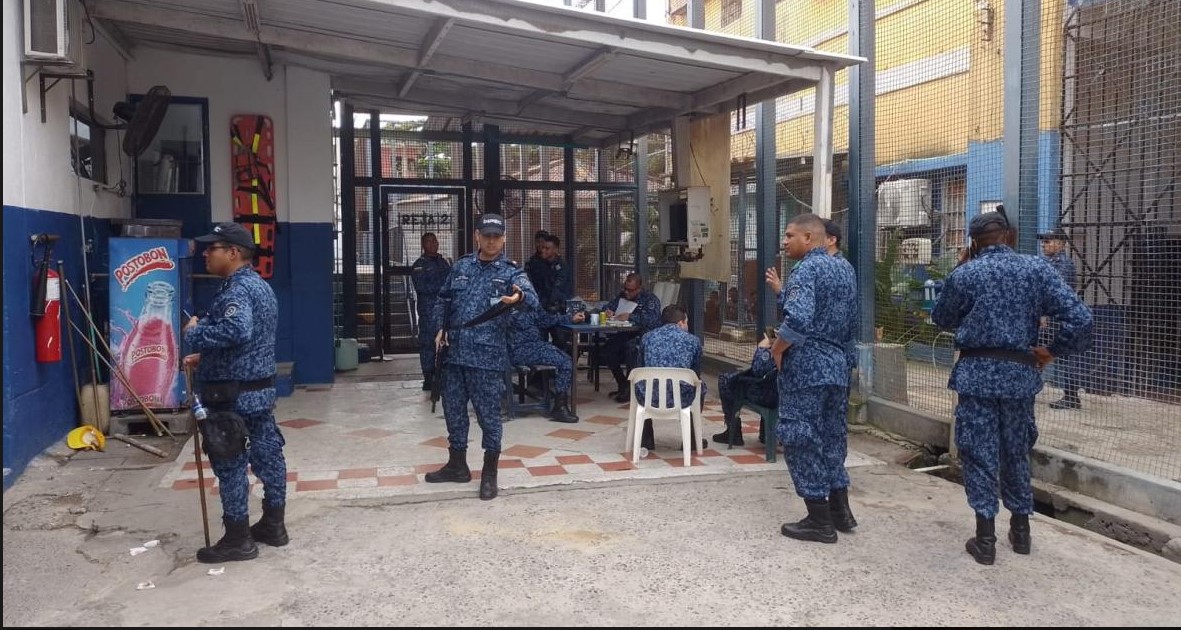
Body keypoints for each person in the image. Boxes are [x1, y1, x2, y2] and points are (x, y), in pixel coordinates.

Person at [932, 208, 1092, 565]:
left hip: (977, 375)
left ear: (974, 242)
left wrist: (961, 269)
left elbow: (941, 318)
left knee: (978, 452)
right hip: (1020, 376)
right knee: (1016, 450)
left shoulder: (967, 273)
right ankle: (1021, 533)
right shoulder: (1037, 269)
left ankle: (985, 539)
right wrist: (1051, 351)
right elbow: (1081, 318)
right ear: (1007, 235)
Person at [182, 222, 285, 563]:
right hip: (257, 391)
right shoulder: (259, 287)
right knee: (268, 454)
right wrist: (207, 355)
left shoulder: (237, 290)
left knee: (229, 463)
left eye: (214, 248)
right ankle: (273, 523)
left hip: (231, 397)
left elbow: (236, 329)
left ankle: (238, 539)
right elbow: (249, 339)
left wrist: (196, 334)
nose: (206, 254)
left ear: (234, 252)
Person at [427, 213, 539, 500]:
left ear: (504, 238)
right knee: (453, 413)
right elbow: (443, 300)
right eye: (486, 235)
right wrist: (439, 327)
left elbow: (531, 299)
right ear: (477, 236)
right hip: (453, 356)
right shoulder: (461, 266)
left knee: (489, 417)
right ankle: (457, 465)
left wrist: (519, 298)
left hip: (486, 360)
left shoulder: (512, 272)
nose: (491, 241)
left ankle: (490, 473)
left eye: (497, 236)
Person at [764, 213, 858, 545]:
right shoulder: (845, 269)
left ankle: (819, 520)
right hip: (837, 366)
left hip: (807, 367)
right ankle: (840, 511)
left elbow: (799, 319)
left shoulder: (807, 269)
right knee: (832, 437)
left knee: (799, 435)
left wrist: (777, 348)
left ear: (809, 238)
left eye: (790, 235)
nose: (785, 241)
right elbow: (849, 322)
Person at [633, 305, 707, 451]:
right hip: (681, 399)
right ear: (680, 323)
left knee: (643, 383)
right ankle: (691, 438)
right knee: (700, 386)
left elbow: (640, 366)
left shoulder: (647, 337)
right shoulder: (693, 341)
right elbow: (696, 372)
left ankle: (646, 437)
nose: (687, 326)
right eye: (686, 322)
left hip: (650, 398)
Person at [507, 306, 582, 423]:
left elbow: (545, 319)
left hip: (522, 349)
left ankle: (559, 404)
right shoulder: (527, 305)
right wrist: (569, 318)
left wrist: (569, 318)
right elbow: (545, 320)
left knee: (563, 358)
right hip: (525, 350)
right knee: (566, 363)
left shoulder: (507, 304)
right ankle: (560, 407)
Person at [1038, 228, 1082, 410]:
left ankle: (1071, 396)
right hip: (1053, 317)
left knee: (1063, 356)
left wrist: (1045, 314)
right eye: (1043, 241)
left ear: (1061, 244)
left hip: (1058, 318)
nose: (1043, 244)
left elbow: (1055, 294)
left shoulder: (1063, 264)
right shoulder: (1049, 262)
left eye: (1048, 241)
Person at [601, 273, 662, 402]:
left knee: (631, 349)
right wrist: (607, 311)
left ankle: (630, 388)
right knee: (608, 349)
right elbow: (608, 306)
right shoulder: (622, 296)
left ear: (639, 288)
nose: (627, 292)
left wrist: (630, 316)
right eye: (625, 288)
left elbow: (652, 320)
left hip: (644, 336)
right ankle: (622, 383)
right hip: (626, 333)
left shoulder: (650, 300)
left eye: (631, 290)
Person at [713, 334, 777, 446]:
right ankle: (765, 433)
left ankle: (733, 431)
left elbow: (758, 370)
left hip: (768, 395)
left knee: (726, 381)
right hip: (785, 393)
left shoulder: (776, 349)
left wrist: (761, 348)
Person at [411, 232, 451, 392]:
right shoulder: (419, 265)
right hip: (428, 311)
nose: (433, 244)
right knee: (428, 343)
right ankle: (428, 376)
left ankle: (444, 374)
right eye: (429, 241)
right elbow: (422, 287)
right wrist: (442, 288)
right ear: (423, 245)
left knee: (446, 342)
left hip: (445, 310)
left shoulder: (444, 262)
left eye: (435, 241)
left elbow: (451, 283)